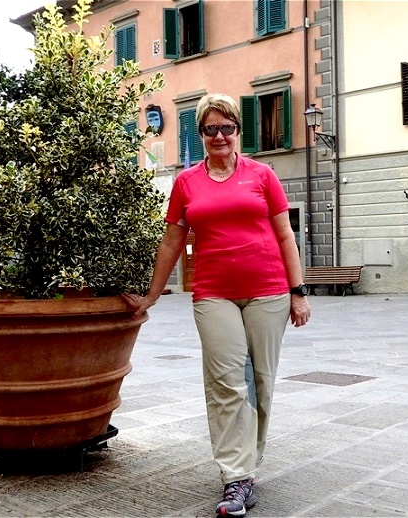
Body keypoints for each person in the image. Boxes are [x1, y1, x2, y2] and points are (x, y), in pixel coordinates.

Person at [124, 93, 310, 517]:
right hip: (213, 294)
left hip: (268, 291)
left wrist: (298, 292)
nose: (219, 135)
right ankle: (236, 475)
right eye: (211, 128)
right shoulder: (187, 183)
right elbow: (171, 242)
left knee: (260, 381)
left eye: (227, 127)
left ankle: (248, 464)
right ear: (201, 133)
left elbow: (285, 234)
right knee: (226, 383)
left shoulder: (262, 175)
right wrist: (152, 295)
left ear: (237, 131)